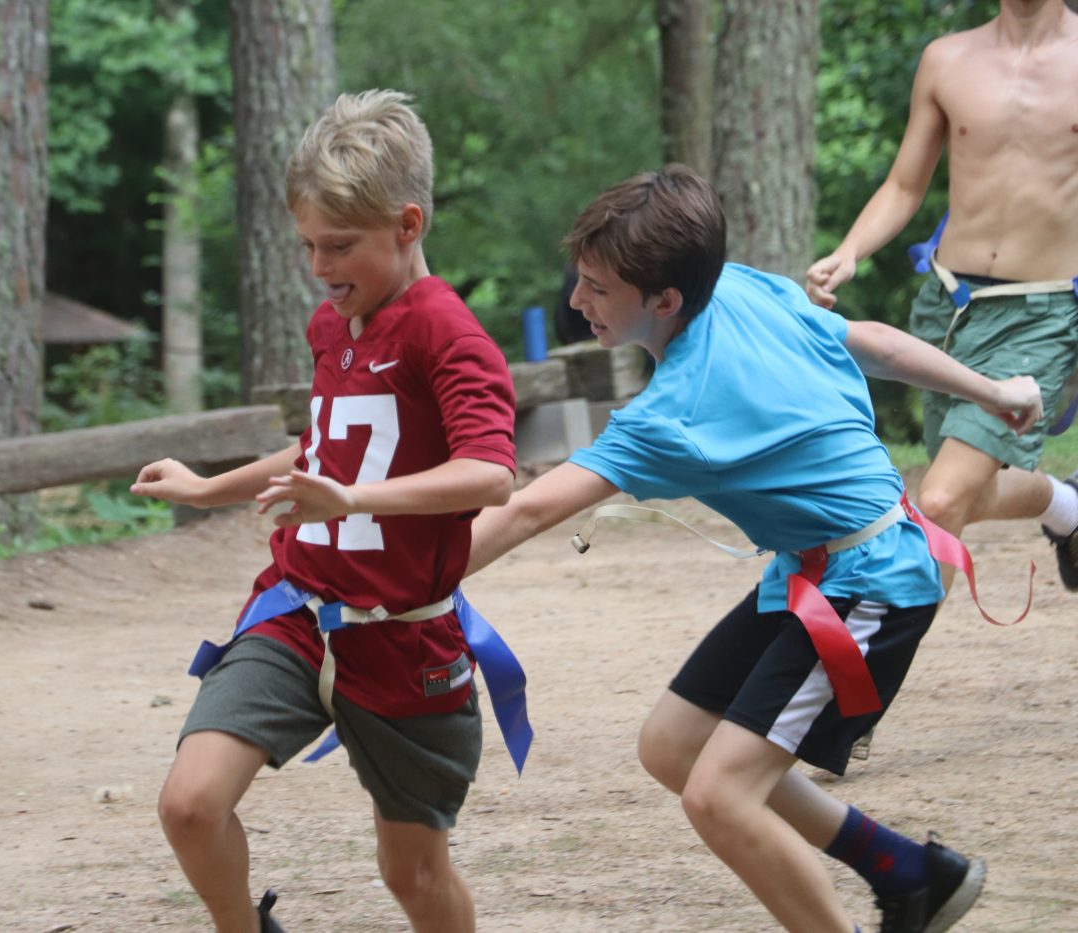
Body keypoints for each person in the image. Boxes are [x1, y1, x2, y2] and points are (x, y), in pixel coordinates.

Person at [466, 166, 1043, 932]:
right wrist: (993, 390)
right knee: (673, 746)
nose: (577, 301)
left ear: (666, 300)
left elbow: (528, 509)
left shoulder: (671, 413)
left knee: (719, 796)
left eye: (598, 289)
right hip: (814, 569)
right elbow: (870, 343)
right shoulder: (734, 285)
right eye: (582, 280)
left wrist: (398, 584)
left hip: (873, 582)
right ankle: (907, 872)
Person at [131, 89, 519, 933]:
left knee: (413, 873)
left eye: (339, 245)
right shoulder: (332, 325)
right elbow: (323, 449)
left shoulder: (449, 335)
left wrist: (352, 499)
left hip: (405, 641)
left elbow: (491, 474)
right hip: (298, 612)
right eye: (307, 244)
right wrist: (206, 487)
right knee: (190, 804)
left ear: (407, 225)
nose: (318, 265)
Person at [806, 0, 1078, 592]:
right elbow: (905, 185)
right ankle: (1070, 507)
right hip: (946, 307)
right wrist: (850, 252)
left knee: (942, 498)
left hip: (1041, 312)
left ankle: (882, 648)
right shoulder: (947, 59)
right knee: (965, 493)